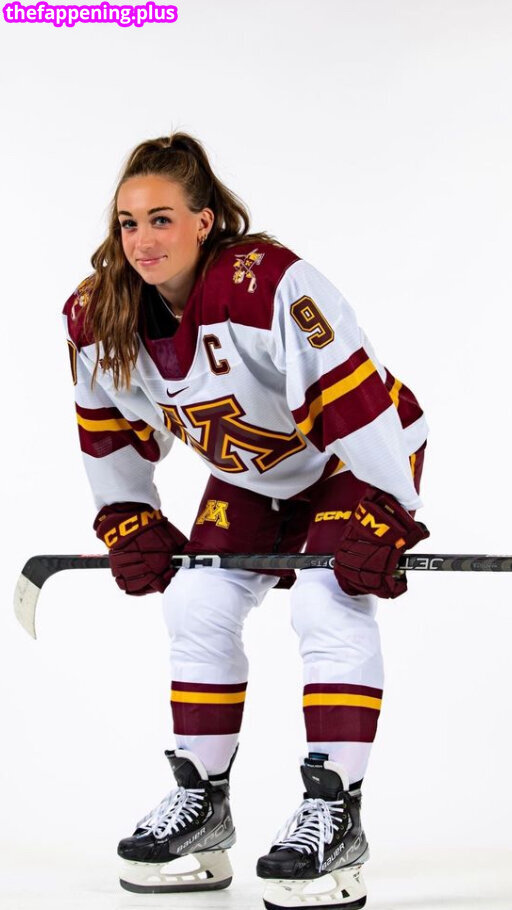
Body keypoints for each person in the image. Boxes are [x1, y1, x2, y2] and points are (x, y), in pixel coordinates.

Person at [63, 132, 429, 909]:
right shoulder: (101, 313)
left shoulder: (266, 284)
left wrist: (388, 507)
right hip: (254, 476)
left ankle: (336, 814)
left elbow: (353, 392)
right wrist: (127, 513)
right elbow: (107, 424)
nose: (142, 240)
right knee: (196, 602)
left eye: (161, 219)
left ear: (204, 221)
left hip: (352, 457)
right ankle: (204, 803)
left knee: (327, 602)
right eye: (128, 223)